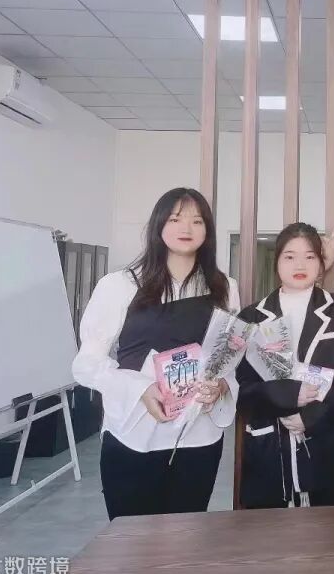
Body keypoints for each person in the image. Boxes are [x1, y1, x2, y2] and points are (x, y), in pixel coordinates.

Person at [73, 188, 240, 520]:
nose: (186, 228)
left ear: (207, 231)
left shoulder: (224, 287)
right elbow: (86, 363)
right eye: (176, 219)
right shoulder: (120, 285)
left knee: (186, 539)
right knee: (132, 540)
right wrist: (141, 389)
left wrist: (220, 386)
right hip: (135, 435)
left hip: (199, 439)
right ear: (158, 225)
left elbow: (226, 359)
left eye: (197, 221)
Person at [236, 222, 334, 508]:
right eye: (290, 256)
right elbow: (242, 386)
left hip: (327, 443)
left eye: (309, 256)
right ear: (277, 262)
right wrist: (283, 396)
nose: (300, 265)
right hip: (271, 445)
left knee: (328, 530)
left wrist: (312, 417)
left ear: (321, 263)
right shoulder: (252, 316)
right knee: (273, 529)